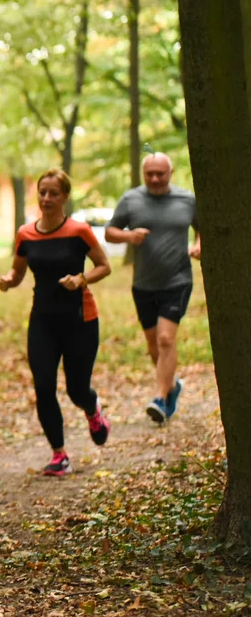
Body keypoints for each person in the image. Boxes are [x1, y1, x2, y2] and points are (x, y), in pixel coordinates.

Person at [0, 169, 112, 477]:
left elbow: (104, 266)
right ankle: (59, 454)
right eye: (42, 192)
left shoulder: (79, 231)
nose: (46, 198)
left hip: (80, 319)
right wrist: (8, 281)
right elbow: (18, 271)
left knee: (77, 389)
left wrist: (81, 278)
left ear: (65, 197)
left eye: (53, 193)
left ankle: (92, 409)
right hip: (43, 321)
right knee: (44, 386)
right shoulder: (26, 234)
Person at [104, 153, 200, 423]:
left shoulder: (188, 200)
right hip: (143, 284)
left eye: (161, 173)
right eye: (150, 174)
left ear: (171, 172)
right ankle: (172, 385)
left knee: (166, 339)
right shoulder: (131, 200)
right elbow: (110, 231)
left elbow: (202, 228)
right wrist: (128, 236)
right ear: (144, 174)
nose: (155, 179)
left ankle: (160, 397)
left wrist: (199, 244)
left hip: (177, 280)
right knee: (153, 345)